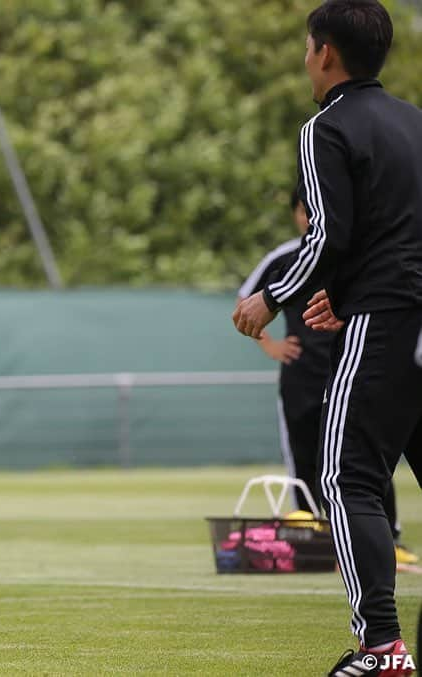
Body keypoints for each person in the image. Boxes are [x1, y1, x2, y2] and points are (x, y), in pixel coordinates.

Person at [232, 2, 422, 674]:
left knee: (343, 477)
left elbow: (328, 233)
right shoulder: (413, 121)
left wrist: (271, 296)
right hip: (405, 310)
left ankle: (381, 648)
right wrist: (341, 297)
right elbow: (391, 230)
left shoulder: (325, 127)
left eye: (305, 47)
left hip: (389, 322)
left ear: (323, 54)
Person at [237, 187, 417, 566]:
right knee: (306, 456)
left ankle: (390, 538)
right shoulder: (284, 258)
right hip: (301, 376)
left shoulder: (357, 253)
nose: (308, 217)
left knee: (366, 457)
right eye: (302, 211)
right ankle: (316, 539)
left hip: (356, 366)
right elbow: (246, 302)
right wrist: (271, 346)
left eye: (313, 210)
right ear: (295, 216)